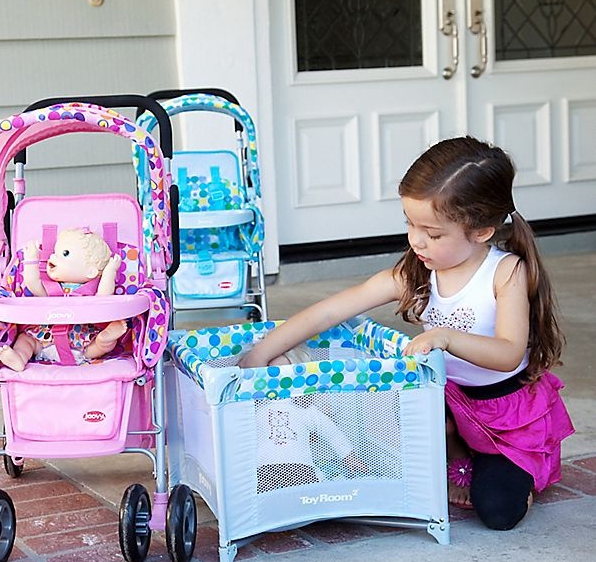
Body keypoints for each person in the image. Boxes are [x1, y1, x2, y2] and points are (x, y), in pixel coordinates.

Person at [241, 136, 574, 530]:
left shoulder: (505, 272)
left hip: (503, 412)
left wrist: (447, 337)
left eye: (432, 233)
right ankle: (455, 448)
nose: (416, 240)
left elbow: (507, 352)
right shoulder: (415, 274)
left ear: (482, 232)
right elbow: (330, 311)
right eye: (410, 224)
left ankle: (494, 463)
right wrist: (262, 351)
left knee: (499, 511)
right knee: (373, 449)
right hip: (446, 402)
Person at [0, 228, 126, 371]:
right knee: (25, 340)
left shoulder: (90, 292)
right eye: (55, 252)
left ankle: (105, 338)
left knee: (101, 345)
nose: (53, 257)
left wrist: (110, 272)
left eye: (64, 254)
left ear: (91, 270)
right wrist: (31, 260)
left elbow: (104, 296)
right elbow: (32, 283)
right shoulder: (50, 288)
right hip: (43, 339)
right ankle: (19, 358)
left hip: (82, 343)